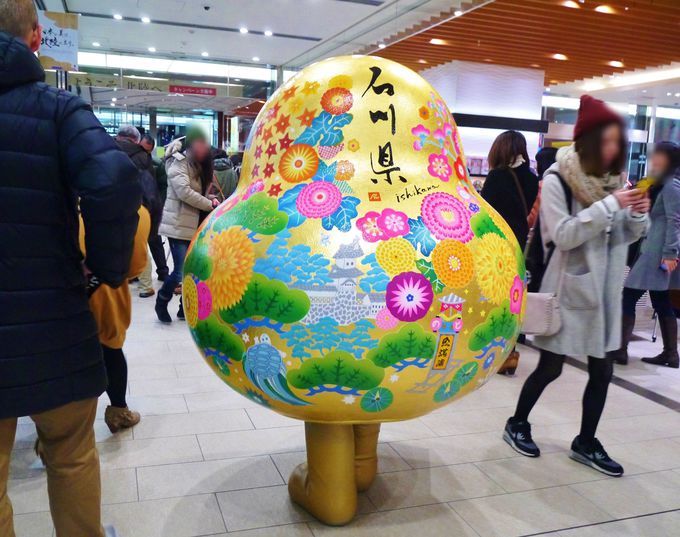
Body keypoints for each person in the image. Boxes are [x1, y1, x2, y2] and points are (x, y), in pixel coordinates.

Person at [0, 2, 141, 535]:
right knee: (71, 453)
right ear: (36, 37)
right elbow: (114, 181)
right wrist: (104, 270)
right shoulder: (58, 111)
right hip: (53, 319)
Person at [503, 95, 649, 477]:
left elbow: (625, 235)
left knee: (603, 372)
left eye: (617, 141)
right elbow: (563, 235)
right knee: (550, 367)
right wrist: (612, 205)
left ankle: (586, 441)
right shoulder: (558, 178)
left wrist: (637, 215)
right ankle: (517, 422)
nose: (613, 148)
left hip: (605, 294)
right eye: (606, 140)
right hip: (569, 290)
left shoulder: (616, 181)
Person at [80, 207, 150, 432]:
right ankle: (118, 413)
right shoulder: (132, 209)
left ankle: (56, 429)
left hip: (49, 293)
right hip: (104, 290)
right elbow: (135, 265)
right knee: (110, 349)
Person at [614, 142, 680, 367]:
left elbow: (675, 221)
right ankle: (670, 354)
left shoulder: (671, 185)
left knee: (629, 295)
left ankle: (620, 350)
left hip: (657, 252)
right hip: (650, 249)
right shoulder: (657, 181)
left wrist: (670, 253)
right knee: (661, 300)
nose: (654, 159)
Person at [481, 131, 539, 375]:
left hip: (495, 244)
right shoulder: (532, 178)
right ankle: (510, 353)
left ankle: (491, 352)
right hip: (518, 242)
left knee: (493, 298)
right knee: (512, 299)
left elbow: (484, 211)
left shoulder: (497, 176)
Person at [155, 127, 218, 323]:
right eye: (200, 143)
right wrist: (208, 204)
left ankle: (185, 308)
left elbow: (196, 191)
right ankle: (161, 301)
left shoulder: (200, 164)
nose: (203, 148)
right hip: (179, 224)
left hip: (196, 224)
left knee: (194, 270)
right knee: (180, 271)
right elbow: (184, 192)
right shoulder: (179, 162)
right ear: (191, 144)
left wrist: (210, 198)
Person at [140, 133, 170, 286]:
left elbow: (164, 186)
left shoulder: (157, 164)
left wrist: (159, 203)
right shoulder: (131, 160)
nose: (145, 153)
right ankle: (137, 272)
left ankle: (162, 271)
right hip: (137, 206)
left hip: (153, 208)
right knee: (139, 241)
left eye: (148, 150)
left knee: (155, 241)